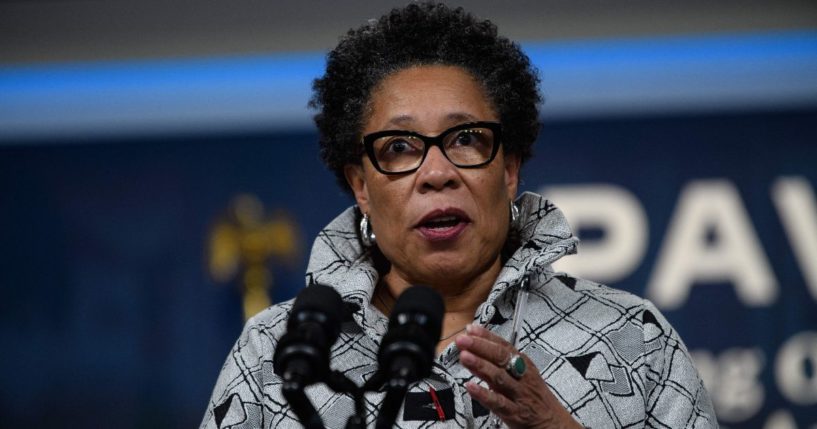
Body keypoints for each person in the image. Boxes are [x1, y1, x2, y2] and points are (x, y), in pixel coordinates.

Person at [200, 3, 716, 428]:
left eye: (466, 139)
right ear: (360, 184)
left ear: (509, 168)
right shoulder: (277, 354)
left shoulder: (633, 337)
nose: (437, 172)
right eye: (400, 147)